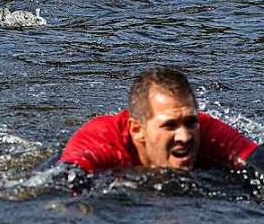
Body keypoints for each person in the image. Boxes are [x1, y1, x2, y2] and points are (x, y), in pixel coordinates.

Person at [59, 68, 262, 175]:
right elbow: (59, 191)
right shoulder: (102, 142)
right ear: (137, 130)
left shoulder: (208, 131)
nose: (185, 136)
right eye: (170, 126)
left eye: (190, 122)